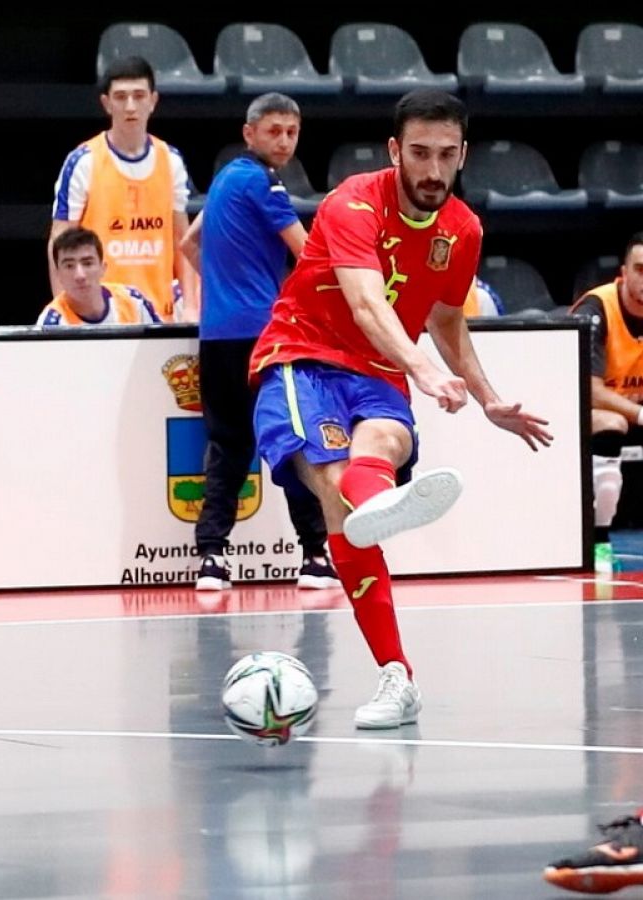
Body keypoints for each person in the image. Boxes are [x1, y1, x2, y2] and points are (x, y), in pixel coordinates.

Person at [247, 88, 552, 730]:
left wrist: (490, 399)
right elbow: (365, 305)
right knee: (334, 486)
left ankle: (374, 507)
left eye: (446, 155)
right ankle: (394, 660)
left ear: (463, 154)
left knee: (387, 440)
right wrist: (425, 371)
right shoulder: (352, 202)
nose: (433, 170)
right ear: (395, 151)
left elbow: (446, 320)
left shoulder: (462, 230)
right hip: (304, 355)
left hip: (380, 372)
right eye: (419, 153)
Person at [176, 93, 334, 592]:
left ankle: (212, 560)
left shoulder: (224, 179)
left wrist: (224, 291)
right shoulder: (264, 183)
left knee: (228, 445)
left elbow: (188, 245)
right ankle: (313, 557)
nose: (284, 140)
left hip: (216, 333)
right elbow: (308, 254)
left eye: (291, 131)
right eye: (274, 131)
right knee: (288, 442)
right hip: (264, 337)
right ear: (250, 134)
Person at [50, 56, 196, 321]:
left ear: (153, 101)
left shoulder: (171, 160)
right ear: (107, 103)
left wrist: (191, 308)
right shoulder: (84, 161)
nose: (130, 106)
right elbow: (59, 244)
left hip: (157, 316)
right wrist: (65, 315)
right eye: (121, 97)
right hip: (101, 318)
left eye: (139, 96)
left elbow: (182, 242)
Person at [570, 233, 643, 571]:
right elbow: (588, 387)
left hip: (634, 409)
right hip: (585, 410)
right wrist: (639, 413)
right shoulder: (597, 307)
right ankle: (599, 538)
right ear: (624, 272)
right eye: (640, 270)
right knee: (611, 425)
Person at [36, 226, 159, 326]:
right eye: (69, 266)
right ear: (58, 275)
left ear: (103, 268)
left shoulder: (133, 301)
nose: (80, 275)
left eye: (87, 263)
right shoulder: (51, 324)